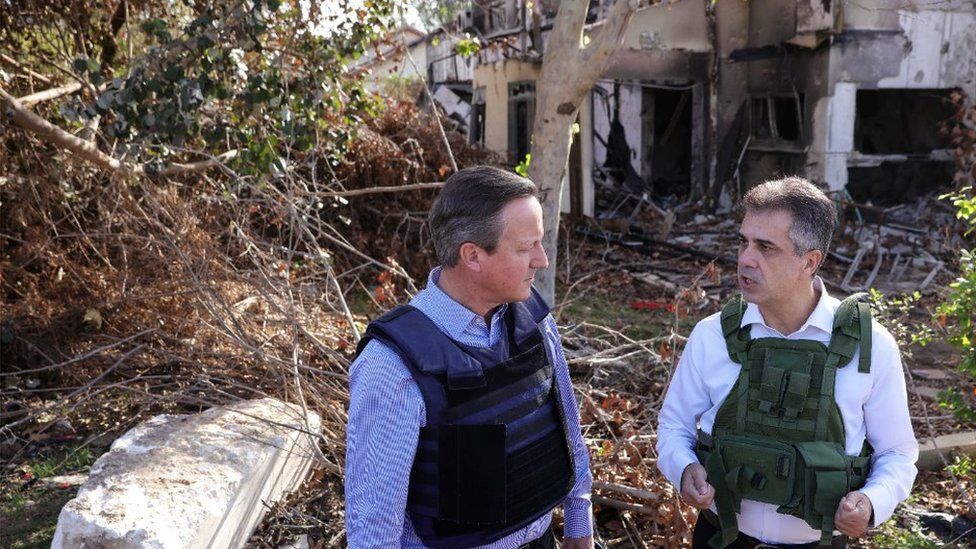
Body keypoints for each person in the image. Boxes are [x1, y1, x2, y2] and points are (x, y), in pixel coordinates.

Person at [656, 177, 918, 548]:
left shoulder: (871, 347)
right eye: (744, 242)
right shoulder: (712, 335)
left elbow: (898, 453)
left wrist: (872, 502)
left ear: (810, 261)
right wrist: (684, 469)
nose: (746, 259)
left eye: (766, 247)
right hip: (721, 538)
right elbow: (673, 426)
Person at [345, 166, 594, 548]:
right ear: (473, 256)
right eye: (527, 247)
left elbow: (568, 432)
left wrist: (579, 521)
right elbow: (374, 524)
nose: (541, 260)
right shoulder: (392, 367)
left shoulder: (533, 321)